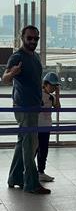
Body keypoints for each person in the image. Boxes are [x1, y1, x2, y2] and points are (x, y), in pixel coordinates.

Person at [2, 25, 50, 194]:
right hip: (24, 106)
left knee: (23, 142)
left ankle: (14, 177)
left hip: (33, 105)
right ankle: (31, 183)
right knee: (30, 145)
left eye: (36, 38)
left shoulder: (35, 57)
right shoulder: (17, 57)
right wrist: (13, 72)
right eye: (29, 38)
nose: (32, 41)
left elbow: (35, 81)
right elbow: (5, 78)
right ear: (22, 38)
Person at [37, 72, 61, 182]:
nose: (53, 88)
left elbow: (57, 108)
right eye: (51, 85)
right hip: (37, 127)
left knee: (44, 150)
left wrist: (57, 94)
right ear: (45, 84)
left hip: (46, 127)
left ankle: (40, 171)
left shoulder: (51, 97)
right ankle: (29, 172)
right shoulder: (38, 95)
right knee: (34, 150)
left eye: (55, 86)